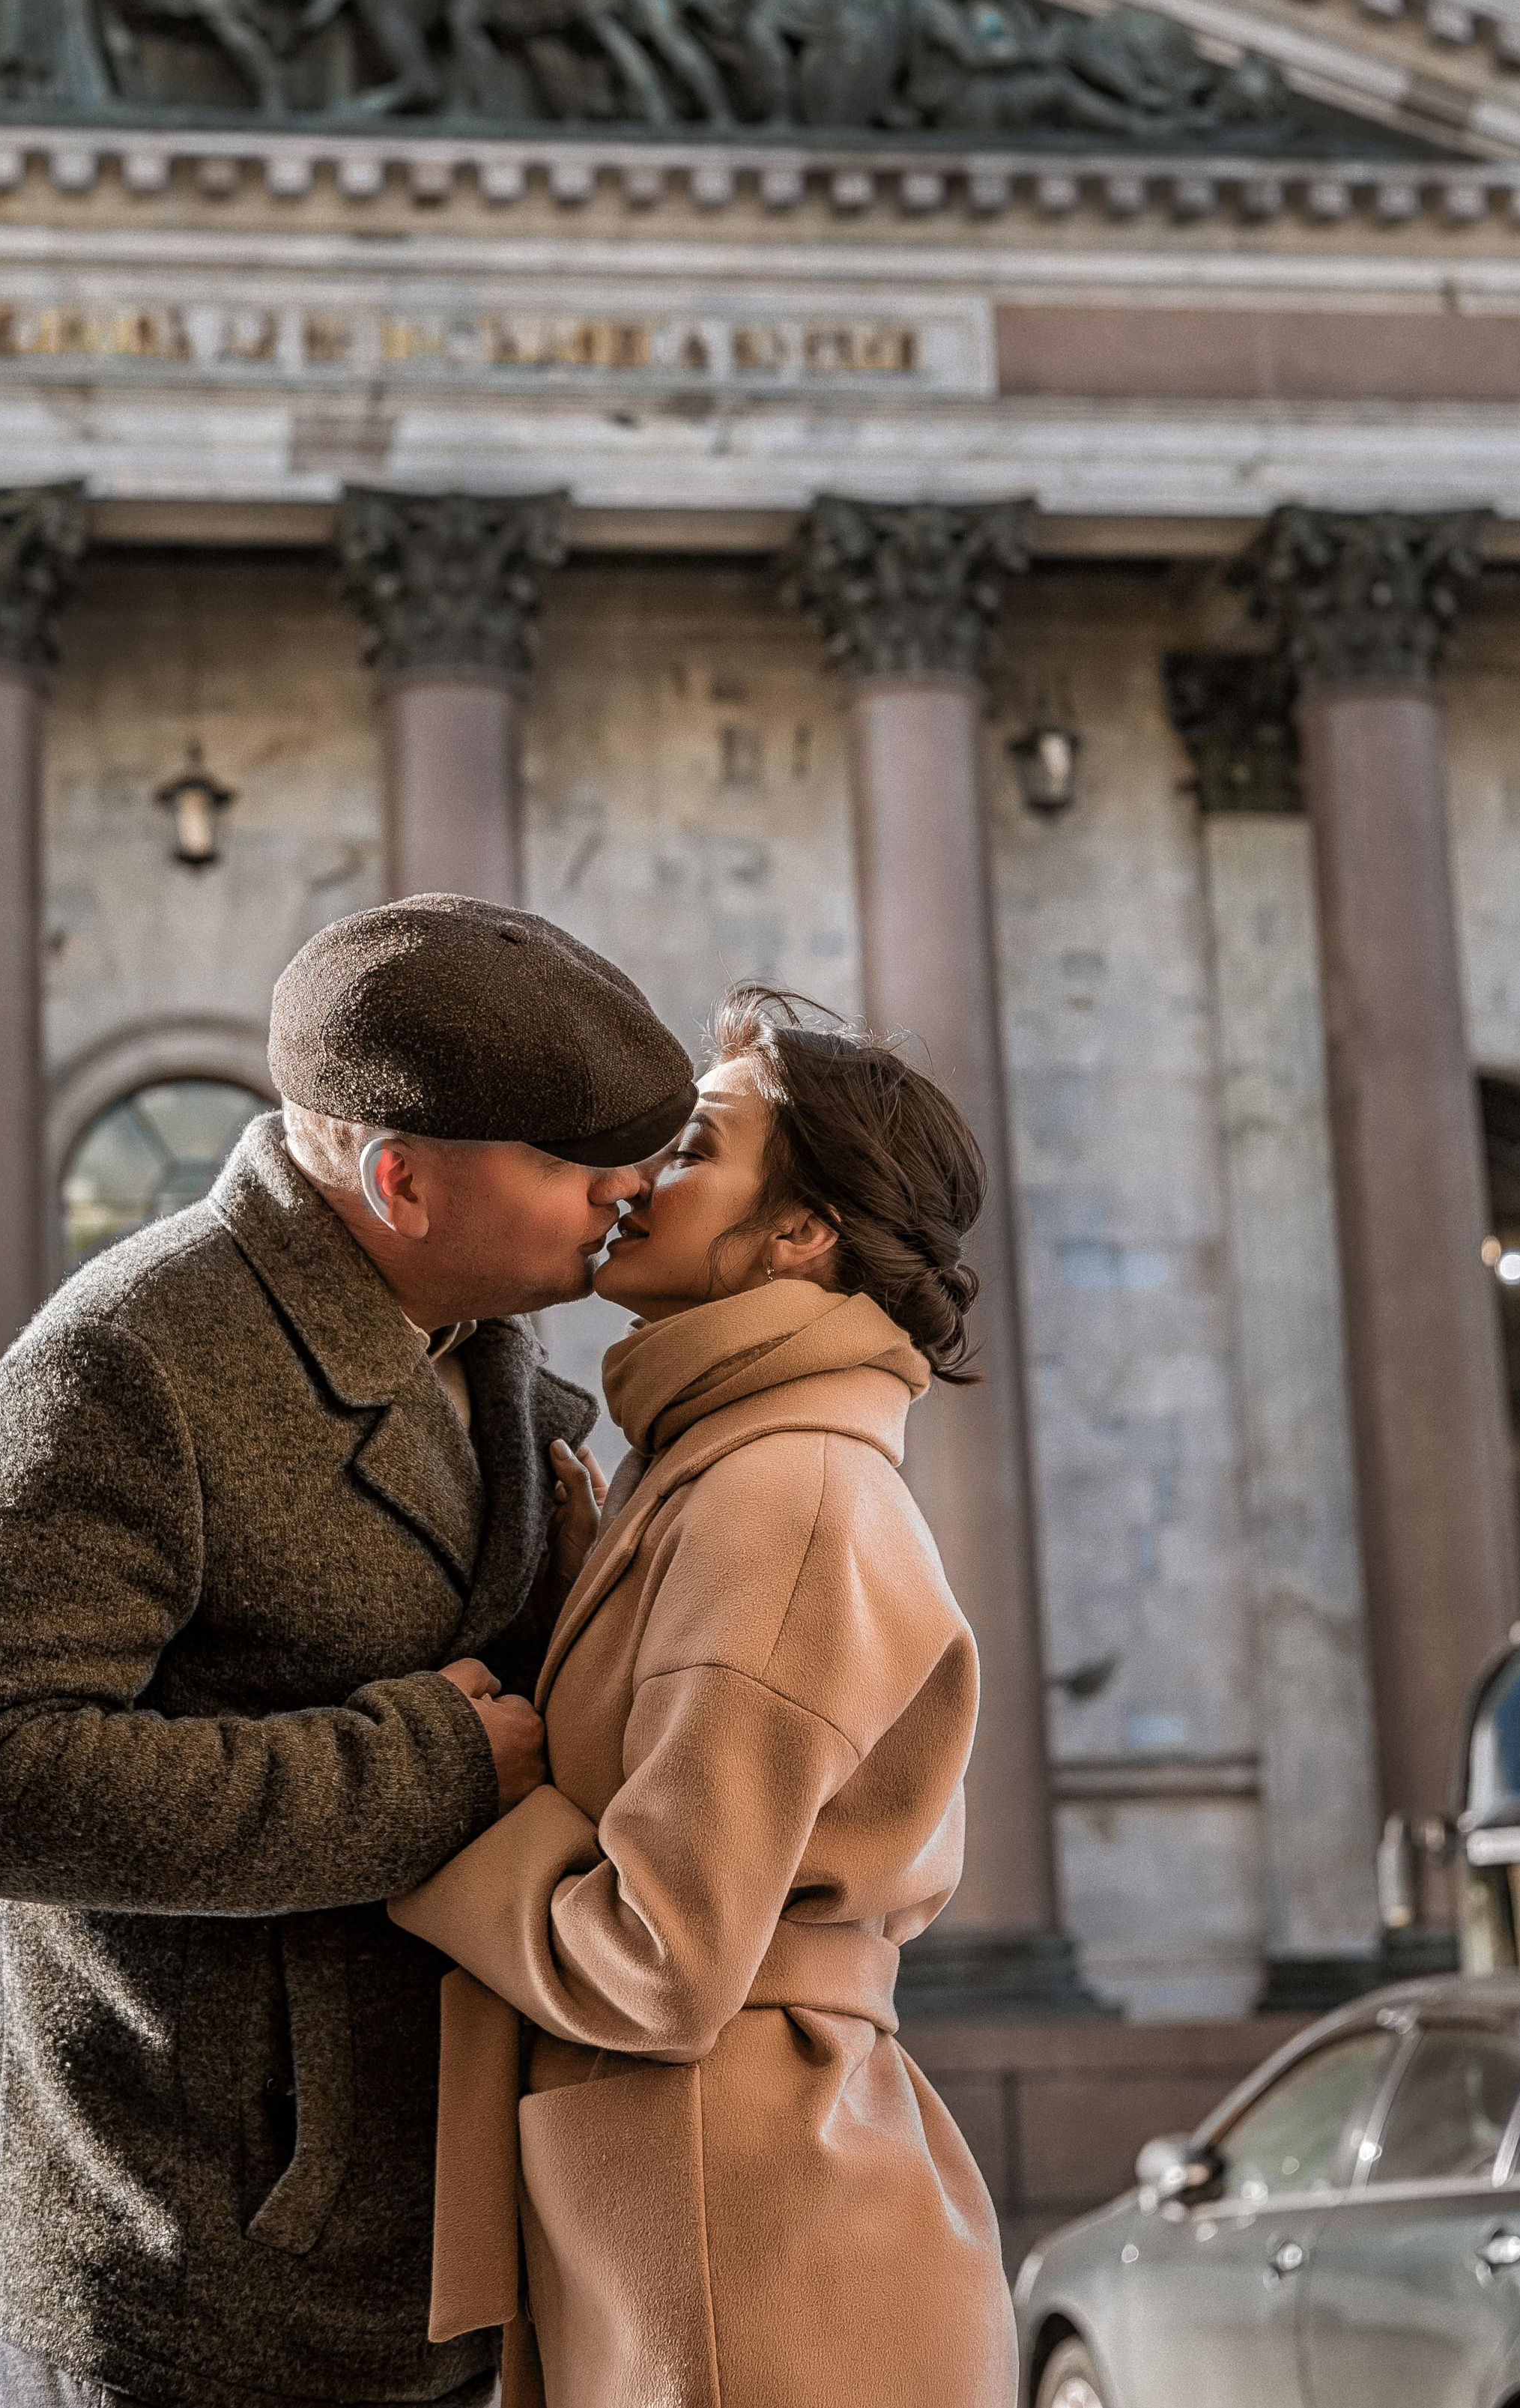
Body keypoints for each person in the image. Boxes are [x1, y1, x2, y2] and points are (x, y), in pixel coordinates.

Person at [0, 895, 697, 2408]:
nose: (627, 1192)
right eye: (578, 1165)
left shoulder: (484, 1348)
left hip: (444, 2257)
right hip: (197, 2291)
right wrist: (427, 1763)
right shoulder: (124, 1363)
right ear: (400, 1180)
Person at [391, 984, 1018, 2408]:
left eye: (690, 1151)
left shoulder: (782, 1492)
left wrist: (465, 1795)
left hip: (749, 2251)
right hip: (715, 2210)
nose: (632, 1180)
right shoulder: (723, 1467)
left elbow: (661, 1953)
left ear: (801, 1234)